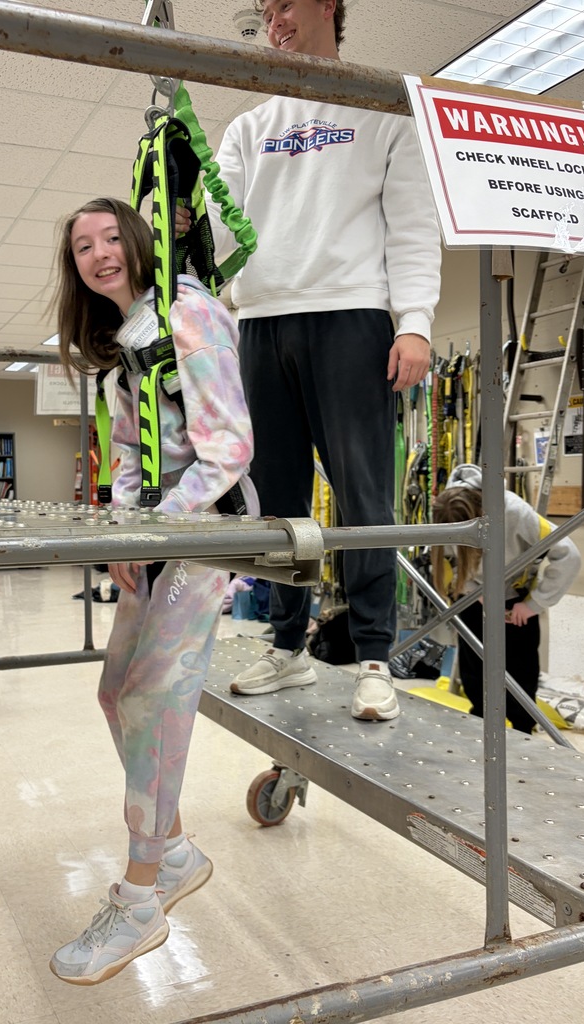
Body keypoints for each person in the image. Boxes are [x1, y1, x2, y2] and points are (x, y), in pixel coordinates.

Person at [177, 0, 442, 720]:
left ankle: (373, 657)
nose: (274, 22)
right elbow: (215, 225)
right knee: (279, 503)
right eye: (264, 12)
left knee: (364, 501)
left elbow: (415, 225)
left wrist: (413, 323)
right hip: (261, 323)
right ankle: (288, 647)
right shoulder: (248, 128)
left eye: (285, 4)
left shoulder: (386, 107)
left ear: (328, 4)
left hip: (352, 315)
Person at [48, 197, 257, 985]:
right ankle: (171, 850)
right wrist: (122, 529)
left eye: (110, 238)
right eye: (81, 247)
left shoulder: (190, 313)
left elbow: (229, 450)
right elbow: (135, 447)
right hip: (161, 531)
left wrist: (156, 529)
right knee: (116, 693)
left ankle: (139, 899)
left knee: (153, 700)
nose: (99, 254)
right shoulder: (130, 337)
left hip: (205, 529)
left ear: (137, 242)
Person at [431, 464, 581, 734]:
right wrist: (473, 591)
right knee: (473, 667)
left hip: (516, 601)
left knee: (520, 668)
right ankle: (481, 723)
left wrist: (533, 604)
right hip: (473, 597)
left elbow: (568, 555)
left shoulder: (514, 512)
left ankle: (523, 728)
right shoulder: (445, 514)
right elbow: (450, 562)